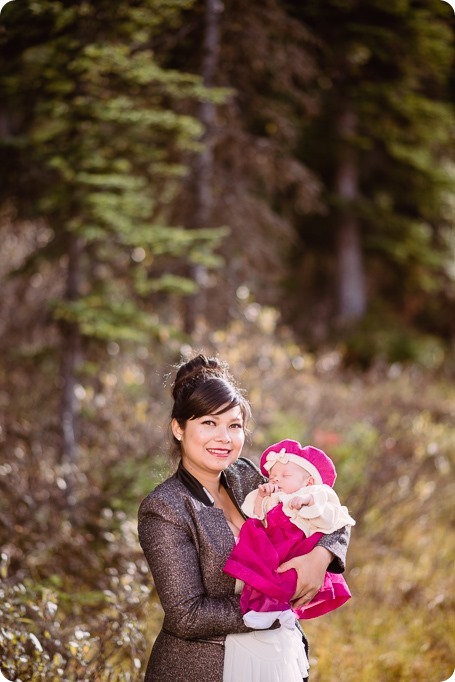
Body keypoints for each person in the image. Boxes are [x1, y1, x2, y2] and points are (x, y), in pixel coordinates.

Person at [138, 354, 351, 682]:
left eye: (234, 425)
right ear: (178, 428)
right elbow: (187, 615)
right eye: (209, 423)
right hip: (206, 668)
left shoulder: (246, 477)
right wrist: (275, 598)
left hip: (279, 660)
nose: (224, 438)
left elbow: (332, 512)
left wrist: (320, 557)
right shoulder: (166, 508)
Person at [223, 439, 356, 631]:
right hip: (276, 545)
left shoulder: (312, 492)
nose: (275, 479)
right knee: (266, 572)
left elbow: (337, 517)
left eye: (285, 475)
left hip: (296, 545)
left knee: (288, 576)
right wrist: (262, 496)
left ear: (309, 481)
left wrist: (321, 556)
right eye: (272, 476)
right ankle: (268, 610)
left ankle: (281, 611)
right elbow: (258, 516)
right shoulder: (274, 496)